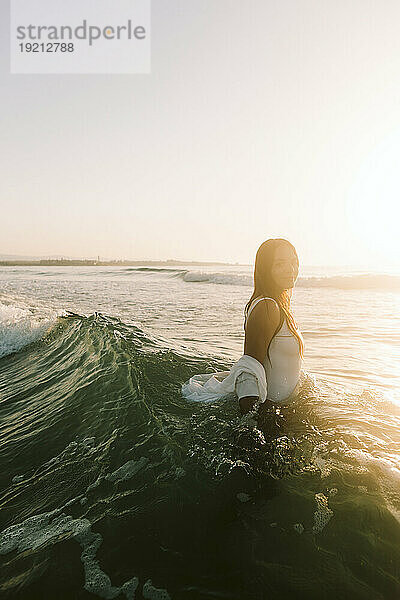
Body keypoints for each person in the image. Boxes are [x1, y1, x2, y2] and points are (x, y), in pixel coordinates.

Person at [236, 238, 304, 415]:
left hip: (286, 408)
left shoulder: (278, 306)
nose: (290, 269)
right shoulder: (267, 307)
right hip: (272, 412)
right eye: (280, 264)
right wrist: (252, 424)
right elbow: (248, 370)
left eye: (293, 262)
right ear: (266, 269)